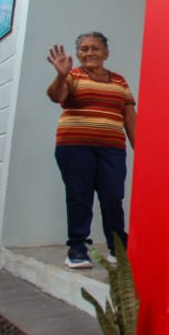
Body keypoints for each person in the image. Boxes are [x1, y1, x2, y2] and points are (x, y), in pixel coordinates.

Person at [46, 32, 137, 269]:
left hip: (112, 149)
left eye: (95, 48)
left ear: (106, 53)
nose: (89, 53)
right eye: (84, 49)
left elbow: (129, 117)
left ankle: (118, 247)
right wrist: (60, 75)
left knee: (113, 196)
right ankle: (77, 248)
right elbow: (57, 96)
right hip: (74, 146)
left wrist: (141, 149)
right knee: (80, 196)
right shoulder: (72, 76)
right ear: (77, 54)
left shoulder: (119, 81)